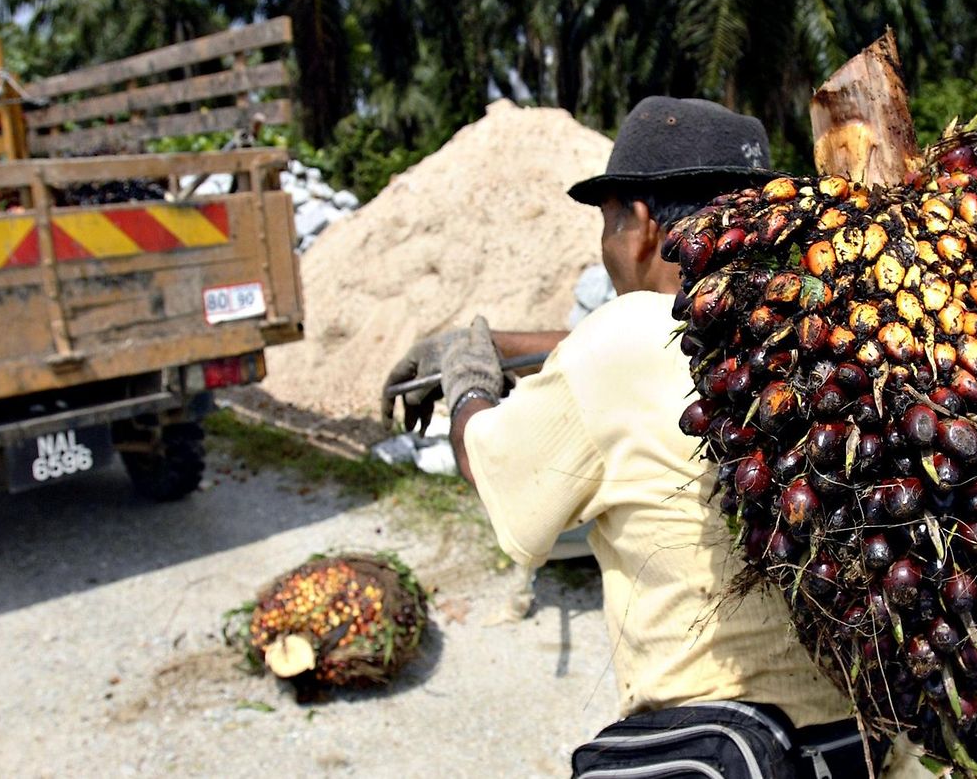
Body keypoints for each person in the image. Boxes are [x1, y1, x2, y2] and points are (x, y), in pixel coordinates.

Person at [385, 97, 918, 778]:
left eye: (607, 222)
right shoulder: (822, 323)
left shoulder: (615, 344)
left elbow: (491, 466)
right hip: (872, 752)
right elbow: (674, 334)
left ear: (638, 223)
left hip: (731, 756)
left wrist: (466, 381)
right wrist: (504, 342)